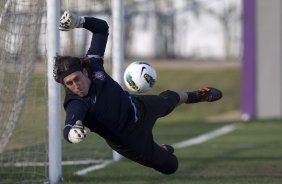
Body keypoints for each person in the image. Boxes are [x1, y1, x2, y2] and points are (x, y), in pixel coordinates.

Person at [54, 10, 223, 175]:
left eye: (77, 79)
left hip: (138, 107)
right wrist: (71, 133)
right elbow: (70, 123)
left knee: (168, 100)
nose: (75, 85)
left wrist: (79, 21)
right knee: (171, 166)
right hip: (130, 140)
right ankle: (162, 150)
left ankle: (198, 95)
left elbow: (101, 28)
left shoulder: (93, 66)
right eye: (69, 83)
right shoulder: (75, 103)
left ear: (84, 72)